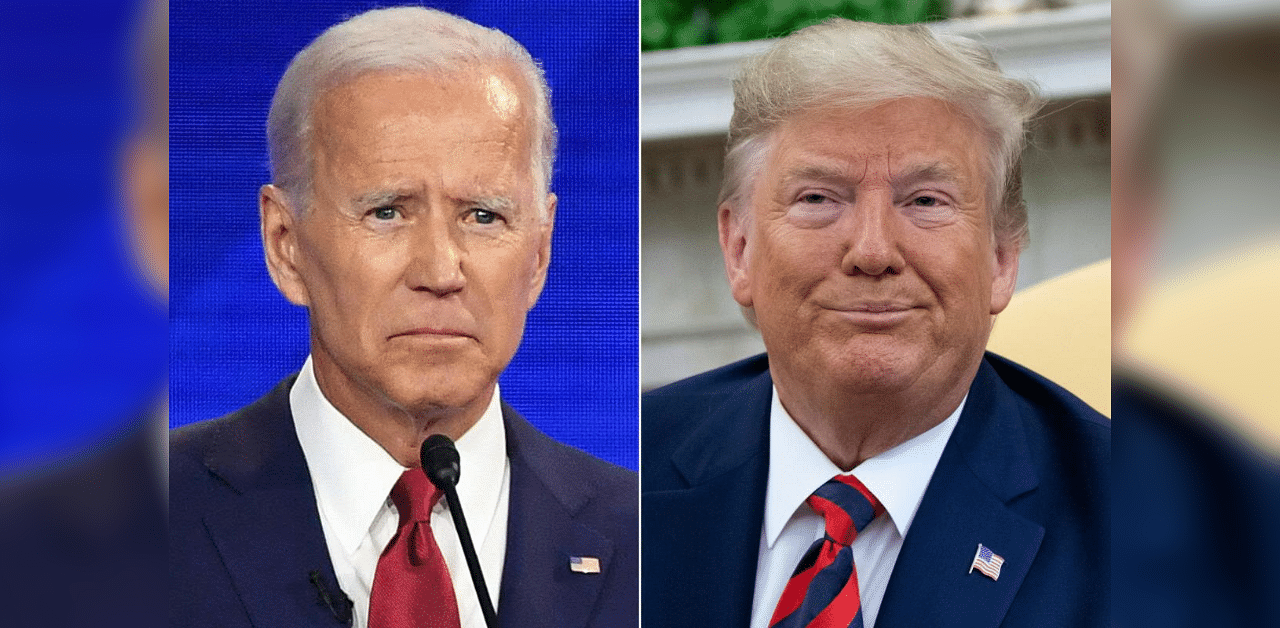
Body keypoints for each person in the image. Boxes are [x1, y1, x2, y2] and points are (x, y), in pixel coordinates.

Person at [170, 8, 637, 628]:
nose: (441, 271)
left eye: (483, 216)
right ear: (285, 243)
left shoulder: (641, 535)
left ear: (540, 254)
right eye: (388, 212)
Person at [642, 19, 1109, 628]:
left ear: (1001, 258)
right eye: (818, 198)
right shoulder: (628, 469)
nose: (872, 250)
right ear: (739, 250)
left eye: (925, 201)